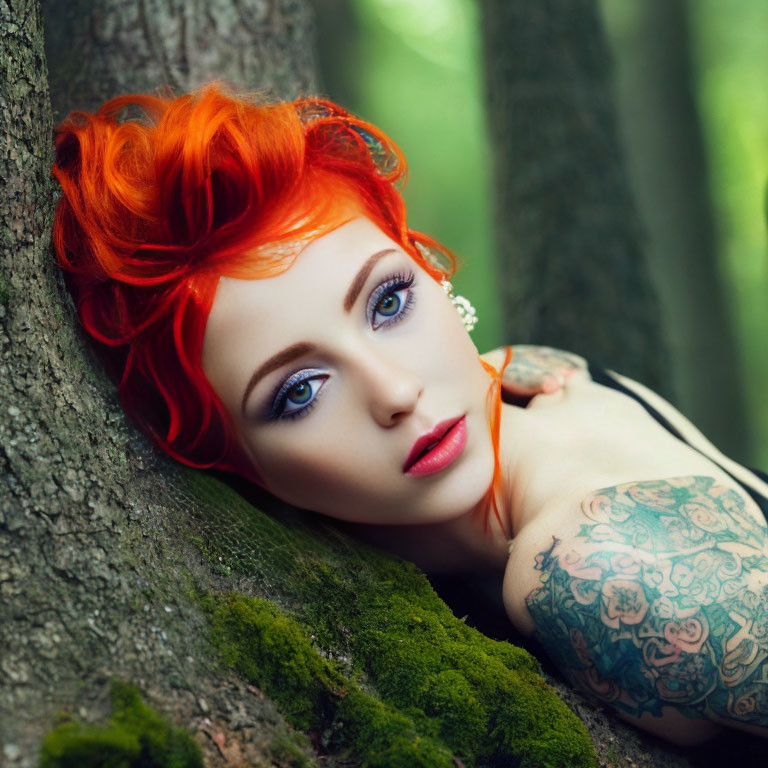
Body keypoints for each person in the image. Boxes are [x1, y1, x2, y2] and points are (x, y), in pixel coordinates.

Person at [51, 84, 768, 746]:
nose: (394, 392)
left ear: (426, 267)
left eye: (388, 301)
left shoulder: (589, 566)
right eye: (299, 390)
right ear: (233, 464)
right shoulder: (528, 371)